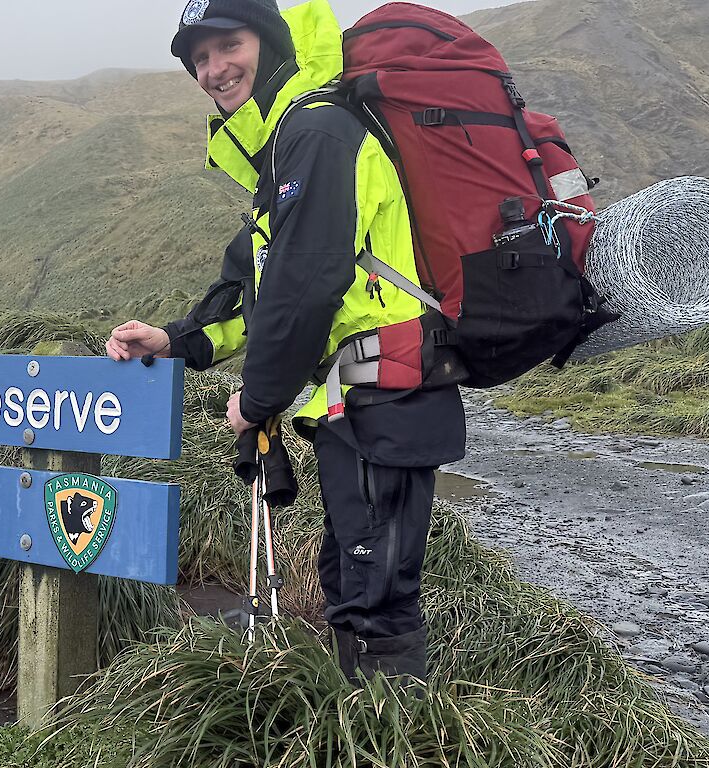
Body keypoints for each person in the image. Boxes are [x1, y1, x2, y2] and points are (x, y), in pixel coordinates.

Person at [105, 0, 466, 684]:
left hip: (390, 390)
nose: (213, 69)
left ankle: (393, 737)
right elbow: (263, 290)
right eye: (198, 59)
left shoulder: (318, 135)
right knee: (352, 575)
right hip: (365, 396)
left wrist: (260, 397)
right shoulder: (285, 152)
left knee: (375, 596)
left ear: (267, 42)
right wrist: (175, 339)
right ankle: (364, 724)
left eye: (227, 46)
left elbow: (305, 287)